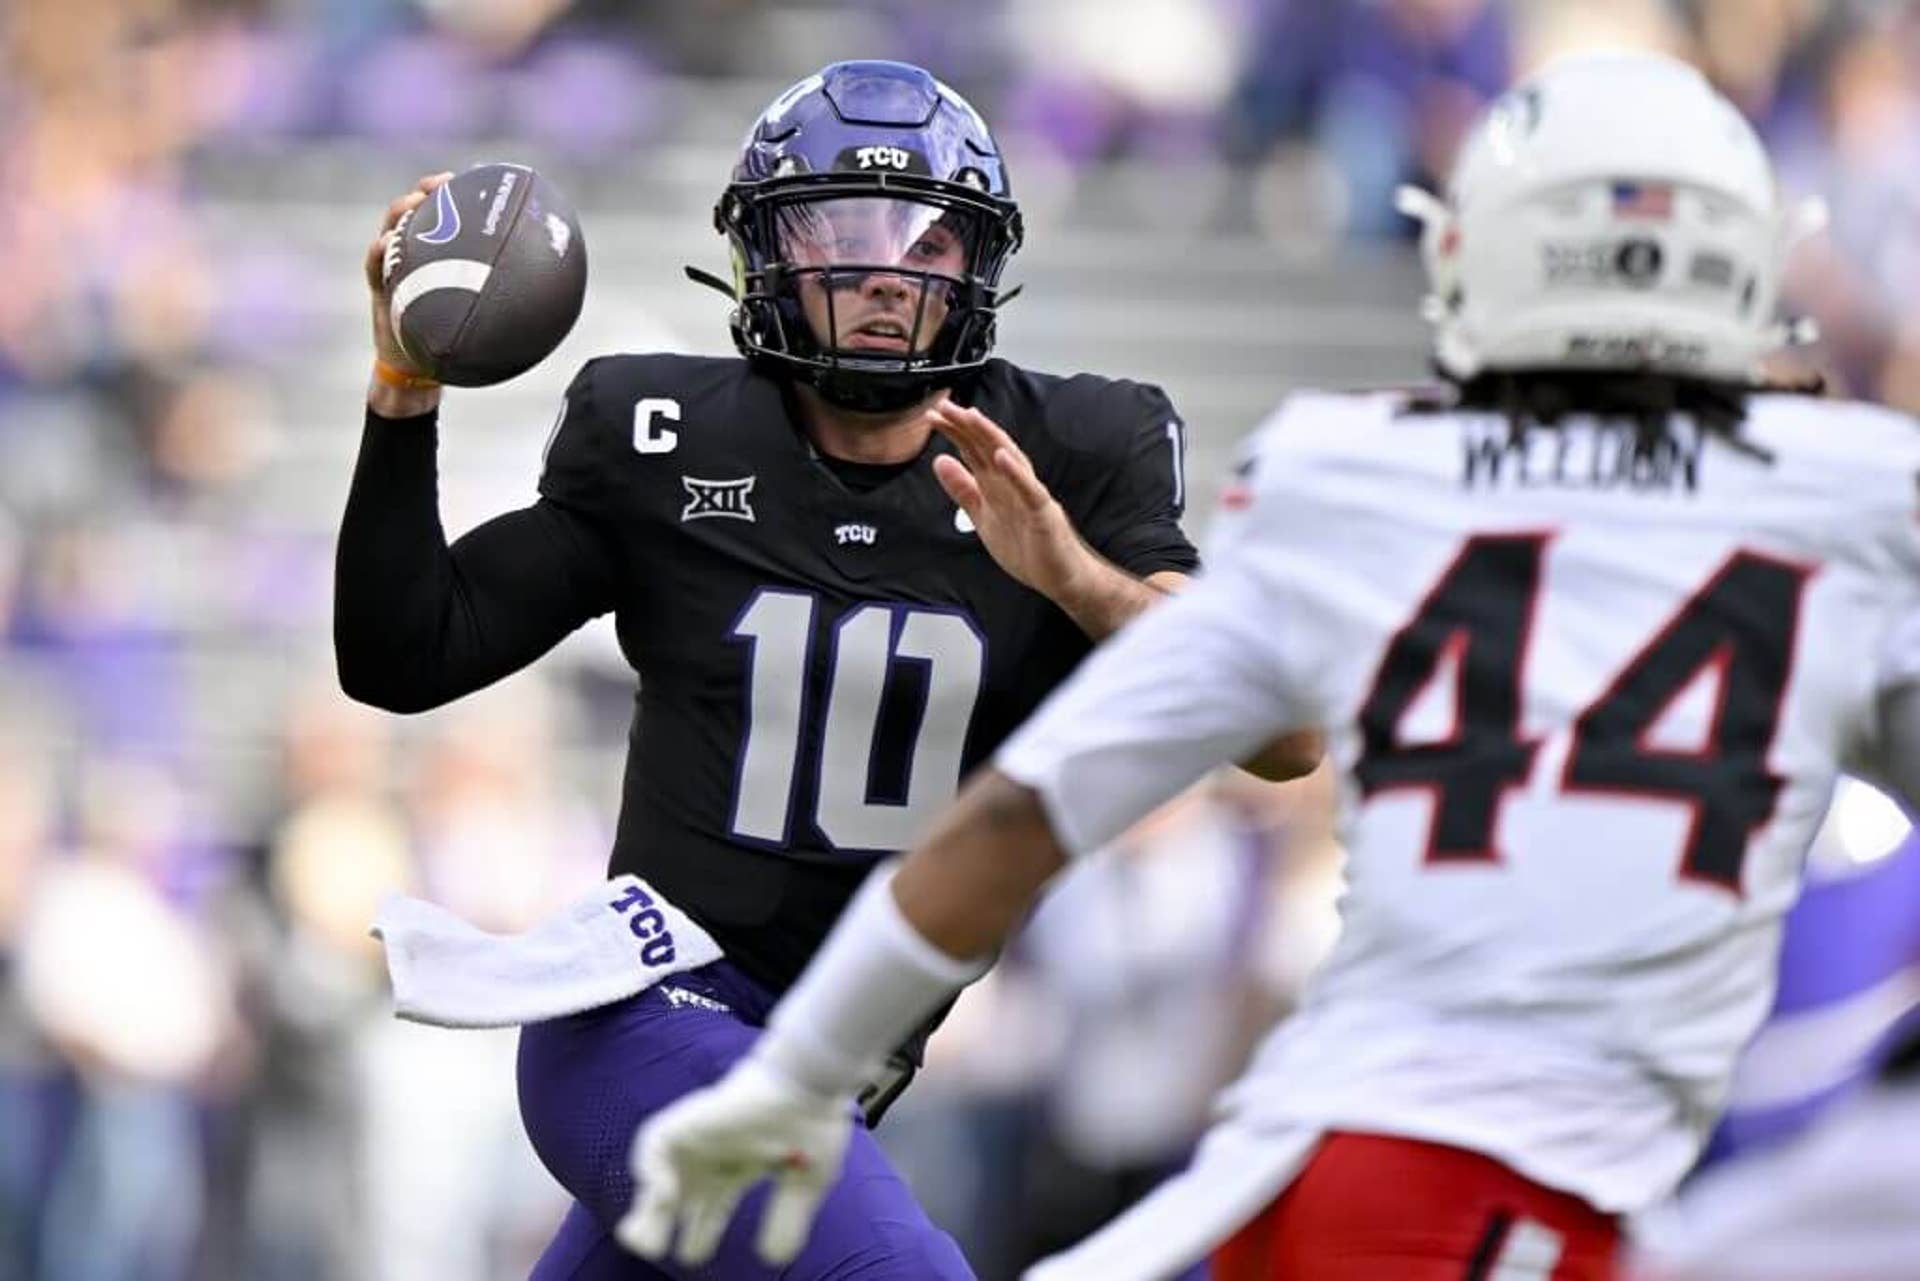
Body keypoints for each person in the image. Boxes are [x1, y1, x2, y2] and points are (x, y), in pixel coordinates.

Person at [626, 51, 1920, 1281]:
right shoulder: (1852, 499)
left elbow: (1023, 811)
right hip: (1529, 1196)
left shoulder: (1359, 466)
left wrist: (796, 1075)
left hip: (1279, 1177)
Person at [337, 59, 1317, 1281]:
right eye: (836, 232)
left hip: (837, 1069)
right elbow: (403, 655)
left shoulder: (1072, 450)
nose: (881, 273)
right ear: (762, 253)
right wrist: (402, 385)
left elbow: (1286, 736)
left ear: (978, 264)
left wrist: (1071, 574)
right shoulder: (663, 435)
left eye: (925, 240)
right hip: (647, 1019)